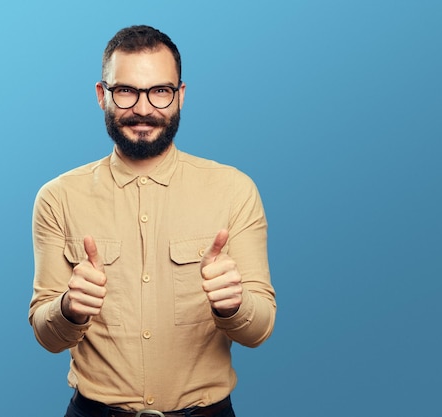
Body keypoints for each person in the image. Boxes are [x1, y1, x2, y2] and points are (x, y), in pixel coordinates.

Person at [28, 25, 276, 417]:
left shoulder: (234, 190)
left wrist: (233, 305)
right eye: (126, 91)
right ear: (101, 95)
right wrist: (69, 308)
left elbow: (259, 329)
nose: (143, 109)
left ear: (180, 95)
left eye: (160, 91)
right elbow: (46, 333)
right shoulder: (58, 198)